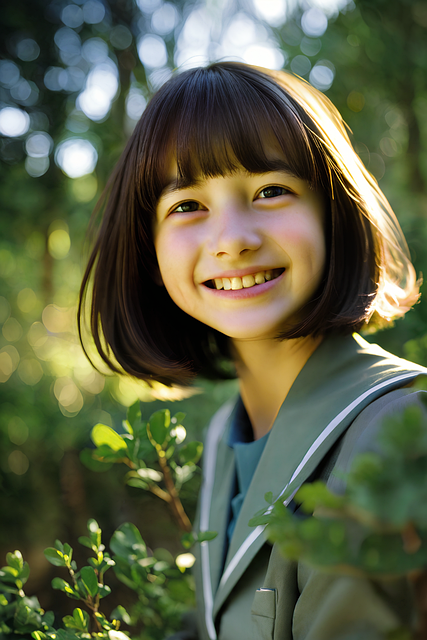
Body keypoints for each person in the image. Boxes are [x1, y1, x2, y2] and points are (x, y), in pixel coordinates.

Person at [79, 62, 427, 639]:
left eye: (271, 191)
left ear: (333, 211)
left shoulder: (401, 430)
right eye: (187, 205)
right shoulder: (224, 436)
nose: (232, 240)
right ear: (150, 249)